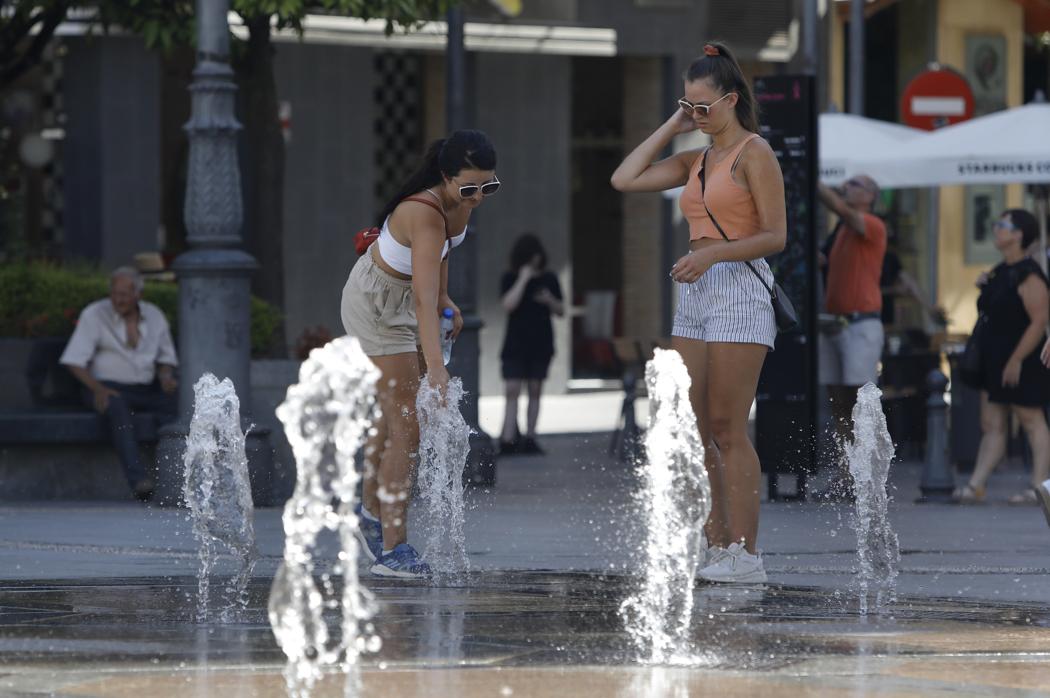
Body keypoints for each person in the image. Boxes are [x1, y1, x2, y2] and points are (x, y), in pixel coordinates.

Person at [611, 41, 786, 583]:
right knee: (696, 428)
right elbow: (624, 178)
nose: (697, 114)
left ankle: (746, 554)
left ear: (731, 100)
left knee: (728, 426)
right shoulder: (697, 159)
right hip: (694, 291)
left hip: (738, 287)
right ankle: (716, 542)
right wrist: (674, 125)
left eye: (703, 106)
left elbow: (776, 236)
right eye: (689, 105)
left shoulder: (755, 153)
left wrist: (711, 254)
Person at [341, 129, 499, 579]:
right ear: (445, 178)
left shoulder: (458, 207)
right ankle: (392, 550)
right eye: (468, 188)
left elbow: (439, 265)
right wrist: (436, 369)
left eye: (489, 186)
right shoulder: (423, 214)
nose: (478, 197)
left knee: (394, 414)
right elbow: (423, 301)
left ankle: (367, 510)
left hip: (409, 299)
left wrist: (448, 298)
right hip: (377, 305)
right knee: (408, 425)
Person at [952, 209, 1050, 506]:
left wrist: (1017, 359)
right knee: (991, 422)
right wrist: (984, 286)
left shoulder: (1029, 273)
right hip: (996, 359)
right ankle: (976, 485)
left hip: (1023, 359)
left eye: (1002, 225)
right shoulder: (1000, 271)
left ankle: (1039, 488)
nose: (996, 229)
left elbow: (1039, 321)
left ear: (1019, 234)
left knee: (1031, 419)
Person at [59, 266, 178, 501]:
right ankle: (139, 481)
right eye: (114, 293)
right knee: (117, 408)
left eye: (124, 294)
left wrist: (165, 377)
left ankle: (177, 477)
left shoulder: (154, 315)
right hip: (104, 387)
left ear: (138, 294)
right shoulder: (94, 314)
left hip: (146, 387)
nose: (118, 300)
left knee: (174, 406)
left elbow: (166, 359)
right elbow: (74, 361)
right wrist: (98, 388)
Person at [815, 176, 888, 498]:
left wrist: (813, 181)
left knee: (860, 402)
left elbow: (841, 209)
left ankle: (866, 478)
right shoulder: (842, 231)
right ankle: (848, 474)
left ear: (870, 195)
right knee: (838, 403)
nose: (847, 186)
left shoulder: (871, 224)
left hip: (860, 324)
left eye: (856, 184)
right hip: (836, 324)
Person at [498, 234, 564, 456]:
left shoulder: (550, 278)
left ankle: (530, 437)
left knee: (535, 389)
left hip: (540, 343)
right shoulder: (510, 277)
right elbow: (508, 305)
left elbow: (561, 310)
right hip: (515, 343)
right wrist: (523, 279)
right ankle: (508, 438)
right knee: (512, 389)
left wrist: (549, 300)